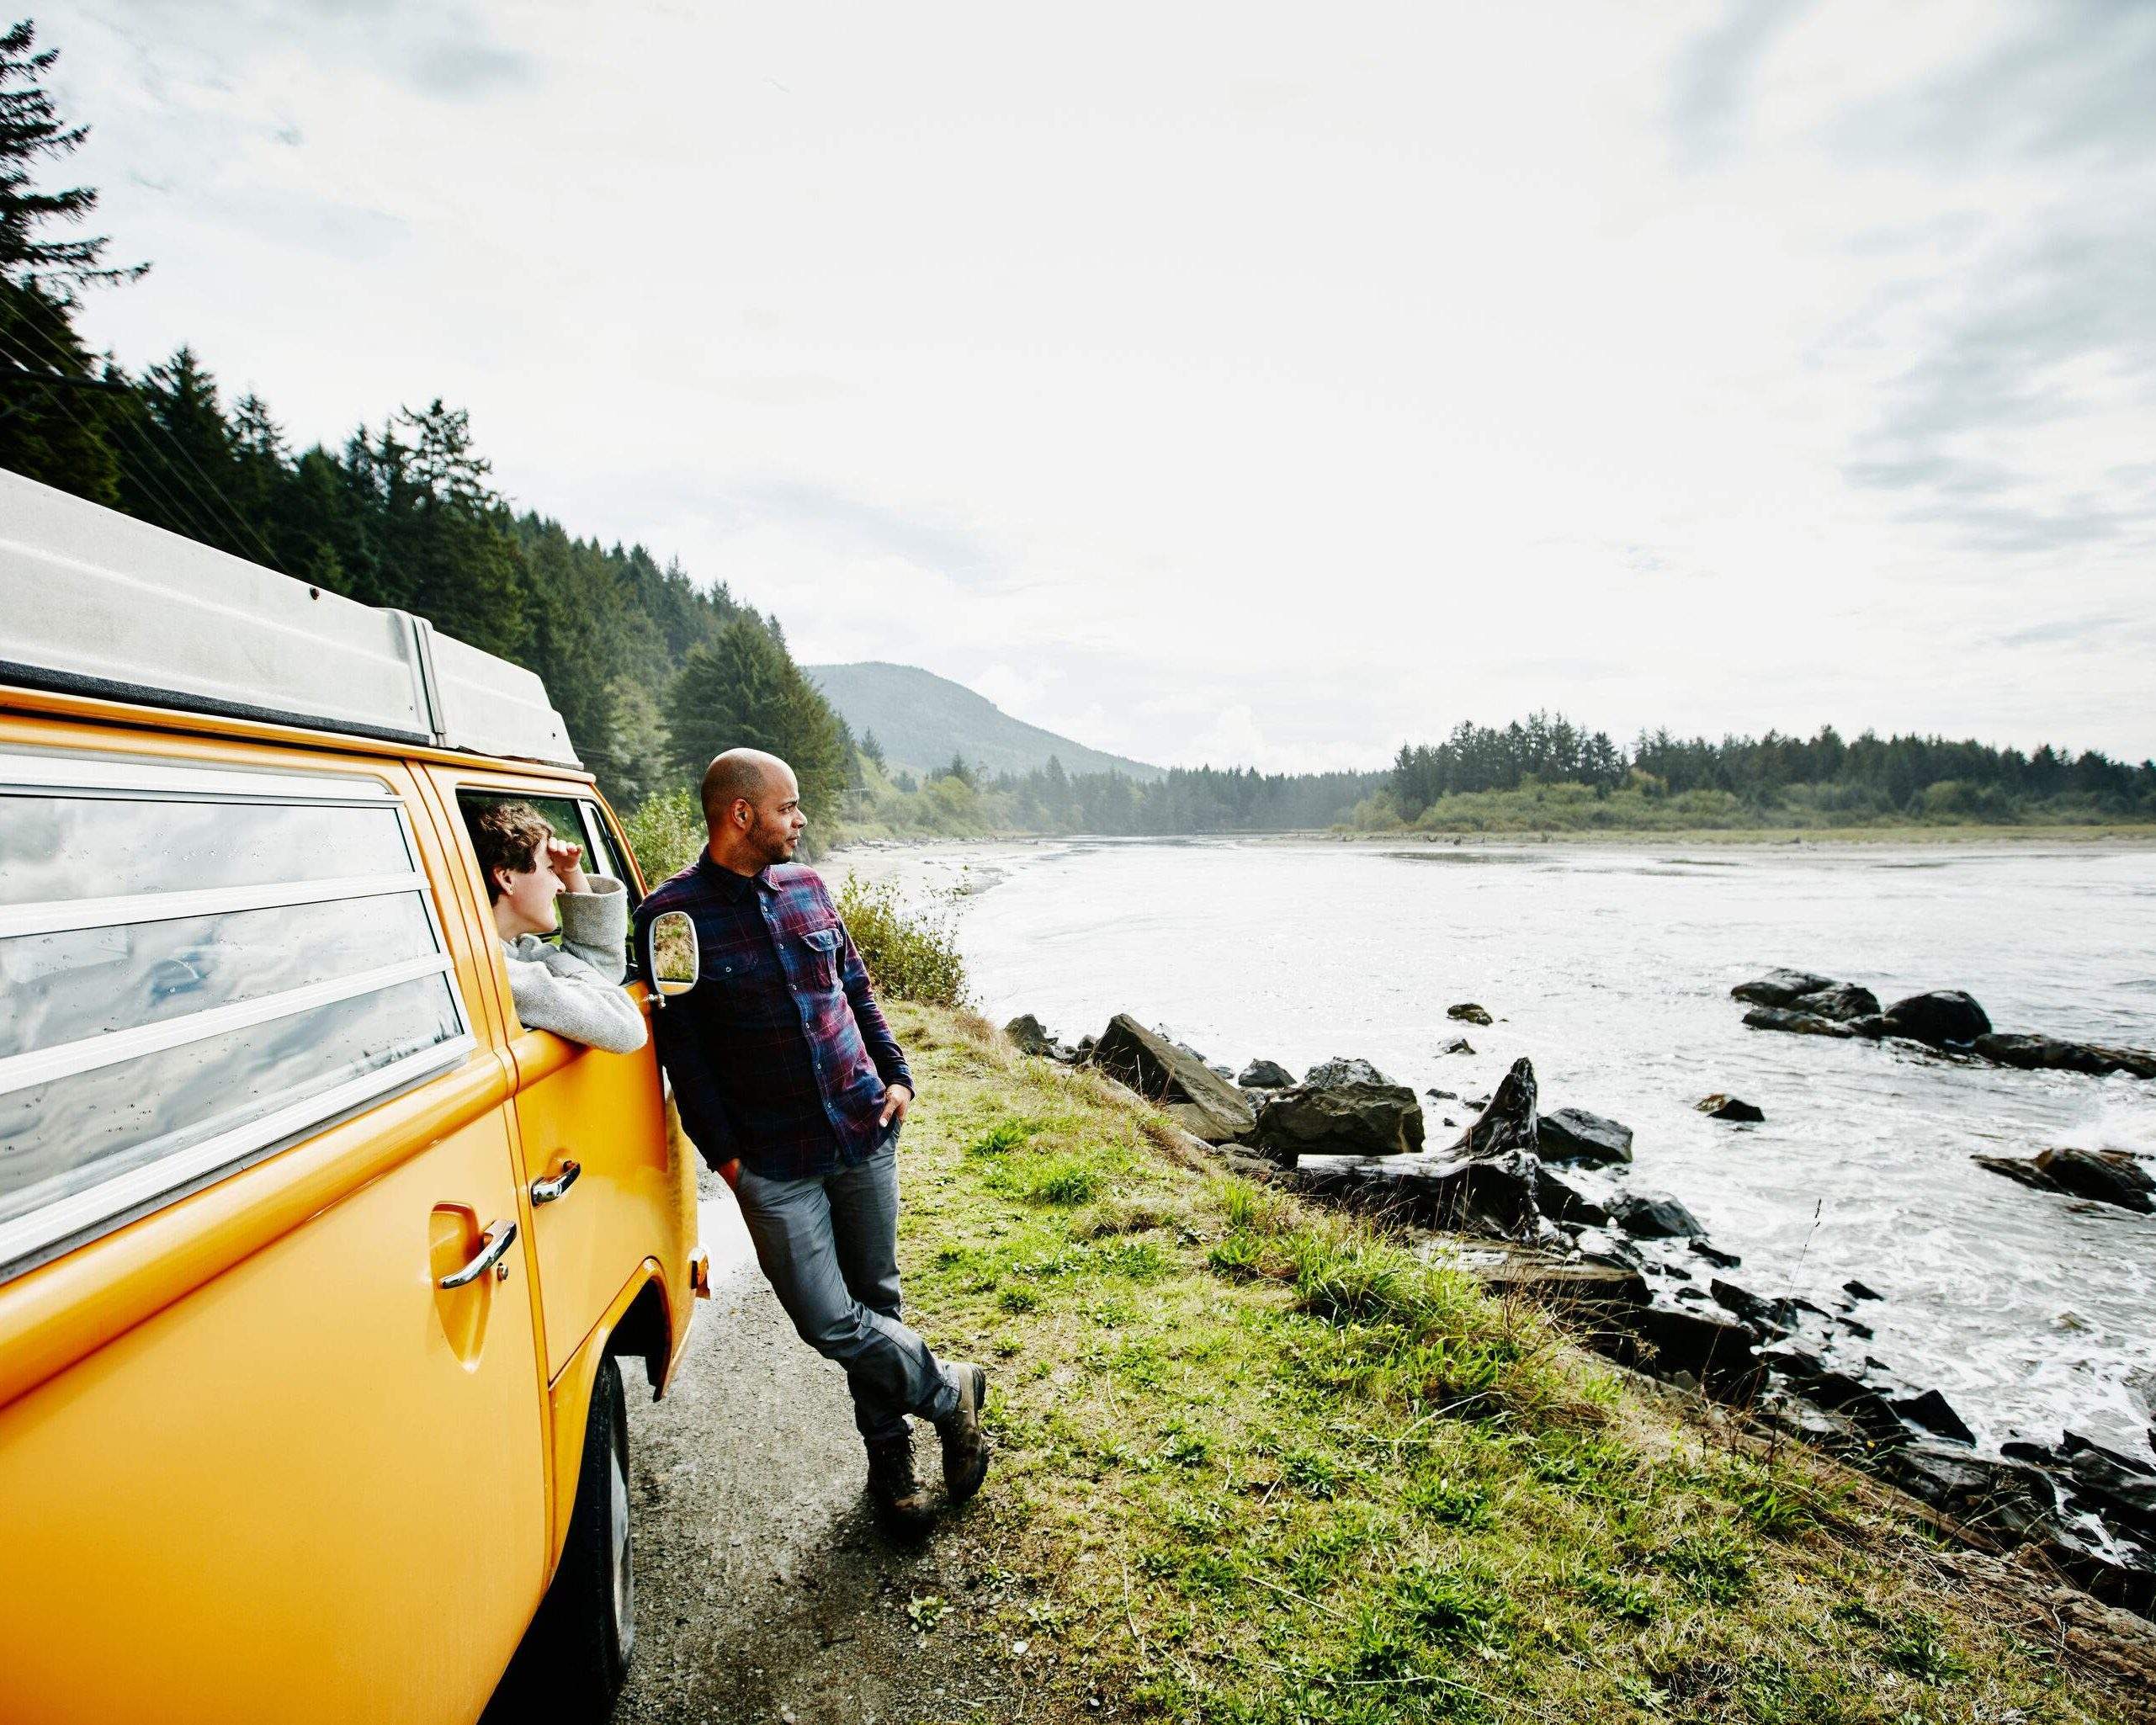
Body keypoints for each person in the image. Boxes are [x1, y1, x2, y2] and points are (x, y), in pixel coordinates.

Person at [634, 748, 986, 1522]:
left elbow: (854, 985)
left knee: (877, 1300)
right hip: (771, 1160)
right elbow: (683, 1053)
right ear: (742, 814)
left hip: (863, 1128)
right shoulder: (671, 919)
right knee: (829, 1319)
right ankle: (948, 1390)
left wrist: (897, 1075)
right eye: (789, 807)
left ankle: (890, 1474)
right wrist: (725, 1158)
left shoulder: (809, 887)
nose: (801, 820)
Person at [470, 800, 647, 1055]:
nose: (561, 886)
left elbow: (603, 973)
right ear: (507, 878)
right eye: (551, 869)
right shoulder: (500, 973)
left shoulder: (518, 952)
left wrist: (572, 872)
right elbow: (625, 1027)